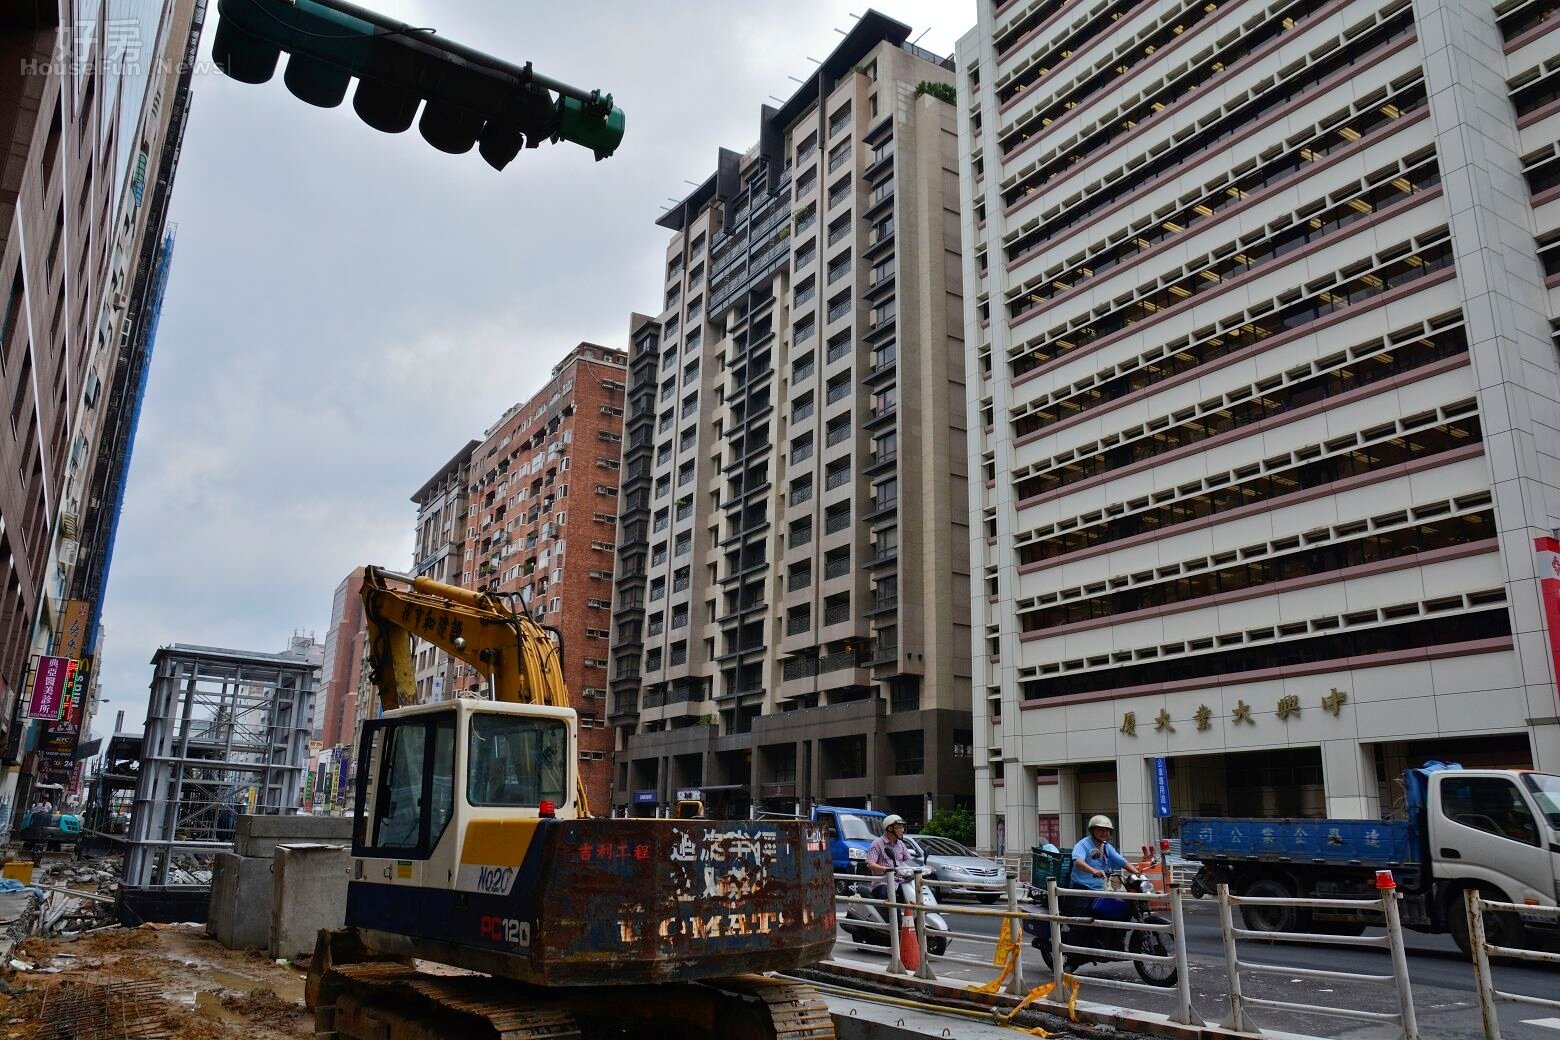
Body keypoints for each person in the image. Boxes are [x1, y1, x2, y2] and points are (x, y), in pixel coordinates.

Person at [865, 813, 912, 902]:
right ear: (890, 828)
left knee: (916, 892)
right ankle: (895, 916)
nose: (902, 830)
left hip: (900, 882)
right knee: (887, 895)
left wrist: (923, 867)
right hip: (883, 882)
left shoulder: (901, 844)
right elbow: (871, 864)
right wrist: (886, 869)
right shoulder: (877, 843)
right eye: (899, 827)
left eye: (903, 827)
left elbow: (909, 861)